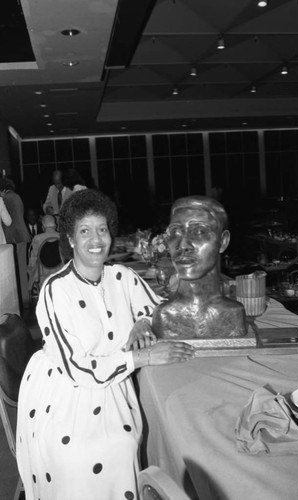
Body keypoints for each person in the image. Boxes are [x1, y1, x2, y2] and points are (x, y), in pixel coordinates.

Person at [16, 188, 195, 500]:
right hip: (65, 394)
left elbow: (160, 308)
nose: (95, 240)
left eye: (102, 229)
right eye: (84, 231)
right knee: (83, 454)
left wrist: (141, 319)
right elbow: (76, 368)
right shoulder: (55, 290)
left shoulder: (121, 276)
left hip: (113, 388)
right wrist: (144, 357)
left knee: (124, 443)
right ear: (70, 239)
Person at [152, 195, 247, 339]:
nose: (183, 245)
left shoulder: (234, 312)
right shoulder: (164, 314)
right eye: (175, 232)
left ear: (223, 241)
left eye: (199, 232)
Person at [0, 176, 31, 307]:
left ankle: (19, 301)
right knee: (22, 270)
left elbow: (9, 222)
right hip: (22, 236)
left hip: (14, 238)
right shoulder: (16, 196)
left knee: (14, 271)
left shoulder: (6, 198)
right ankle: (25, 299)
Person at [27, 214, 60, 293]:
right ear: (55, 226)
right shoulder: (62, 237)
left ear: (43, 227)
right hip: (60, 274)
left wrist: (29, 271)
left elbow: (32, 261)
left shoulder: (37, 239)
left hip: (43, 277)